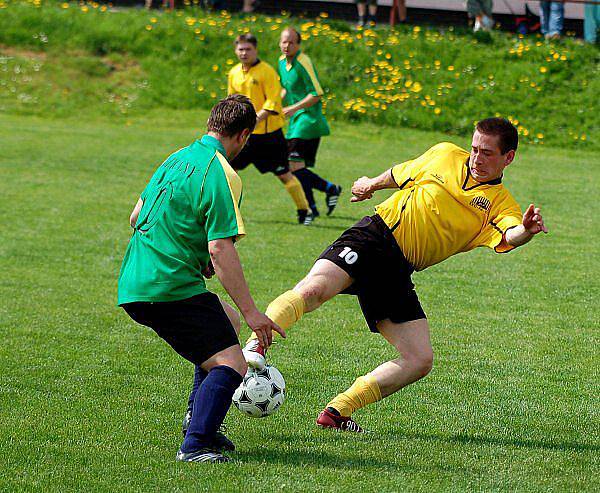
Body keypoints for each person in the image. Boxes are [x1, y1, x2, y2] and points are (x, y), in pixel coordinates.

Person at [243, 118, 548, 432]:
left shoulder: (499, 204)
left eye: (487, 153)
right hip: (374, 236)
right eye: (474, 149)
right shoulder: (444, 154)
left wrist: (526, 229)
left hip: (397, 270)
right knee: (313, 290)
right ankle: (255, 347)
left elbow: (510, 234)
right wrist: (370, 184)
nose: (477, 158)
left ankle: (338, 412)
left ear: (508, 158)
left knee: (419, 359)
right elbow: (403, 172)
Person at [118, 95, 284, 462]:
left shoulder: (176, 158)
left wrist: (188, 252)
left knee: (225, 319)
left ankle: (200, 420)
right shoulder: (223, 173)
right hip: (168, 286)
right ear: (243, 136)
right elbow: (220, 249)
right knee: (232, 363)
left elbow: (136, 216)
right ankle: (195, 445)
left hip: (135, 280)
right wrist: (255, 312)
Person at [228, 34, 313, 226]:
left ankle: (304, 210)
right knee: (228, 171)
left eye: (248, 49)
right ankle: (230, 213)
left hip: (269, 136)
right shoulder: (234, 73)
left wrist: (253, 120)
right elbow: (232, 100)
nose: (244, 53)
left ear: (256, 50)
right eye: (240, 49)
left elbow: (272, 101)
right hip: (245, 136)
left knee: (284, 175)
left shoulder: (267, 72)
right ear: (235, 51)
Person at [278, 27, 342, 219]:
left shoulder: (303, 61)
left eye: (291, 42)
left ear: (298, 45)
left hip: (309, 121)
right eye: (284, 41)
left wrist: (293, 108)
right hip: (297, 121)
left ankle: (327, 191)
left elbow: (316, 93)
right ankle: (314, 206)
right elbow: (285, 88)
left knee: (292, 167)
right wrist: (273, 104)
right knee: (297, 169)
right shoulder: (281, 62)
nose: (287, 45)